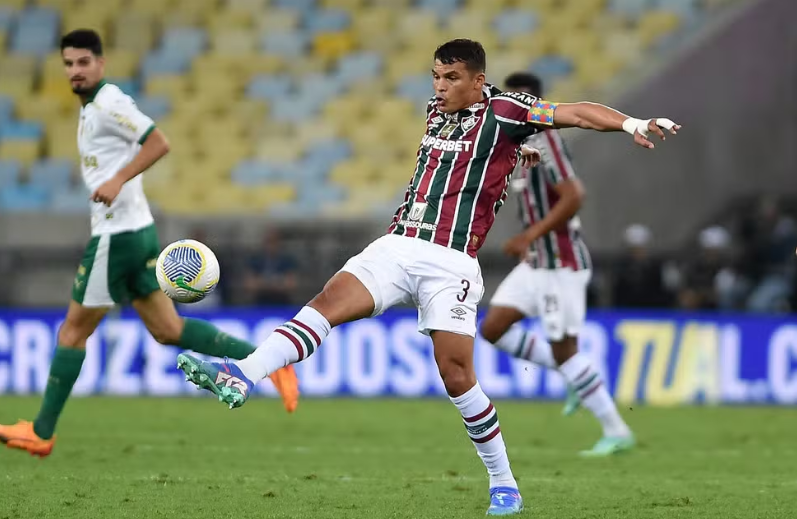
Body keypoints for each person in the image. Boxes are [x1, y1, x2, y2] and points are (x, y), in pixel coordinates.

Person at [177, 39, 679, 515]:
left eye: (452, 78)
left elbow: (575, 113)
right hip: (397, 245)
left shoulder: (506, 110)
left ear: (478, 81)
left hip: (451, 261)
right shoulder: (437, 112)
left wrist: (631, 122)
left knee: (457, 376)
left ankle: (504, 483)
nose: (439, 87)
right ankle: (241, 375)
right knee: (325, 305)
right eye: (436, 76)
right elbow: (470, 161)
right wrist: (508, 158)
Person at [0, 29, 299, 458]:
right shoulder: (91, 109)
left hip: (115, 236)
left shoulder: (109, 104)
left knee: (71, 332)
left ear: (100, 64)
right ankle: (270, 362)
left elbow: (159, 141)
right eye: (68, 63)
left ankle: (42, 431)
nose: (75, 71)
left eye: (83, 62)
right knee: (168, 330)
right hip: (137, 231)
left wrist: (117, 180)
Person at [479, 71, 634, 457]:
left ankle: (617, 431)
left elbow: (574, 195)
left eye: (525, 99)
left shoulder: (547, 140)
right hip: (536, 264)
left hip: (560, 262)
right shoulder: (518, 141)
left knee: (566, 349)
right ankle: (573, 377)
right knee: (494, 327)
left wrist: (530, 235)